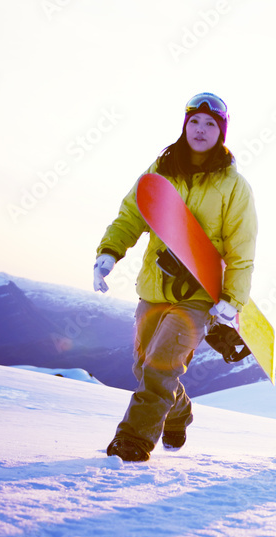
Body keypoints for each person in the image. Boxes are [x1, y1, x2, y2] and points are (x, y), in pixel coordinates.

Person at [92, 92, 258, 462]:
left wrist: (232, 301)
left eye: (210, 124)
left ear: (222, 132)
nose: (200, 130)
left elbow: (241, 251)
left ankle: (133, 441)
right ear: (184, 126)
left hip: (198, 294)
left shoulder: (234, 186)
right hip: (154, 285)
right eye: (194, 122)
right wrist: (109, 252)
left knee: (160, 366)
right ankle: (178, 410)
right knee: (144, 367)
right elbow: (131, 215)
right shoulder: (160, 170)